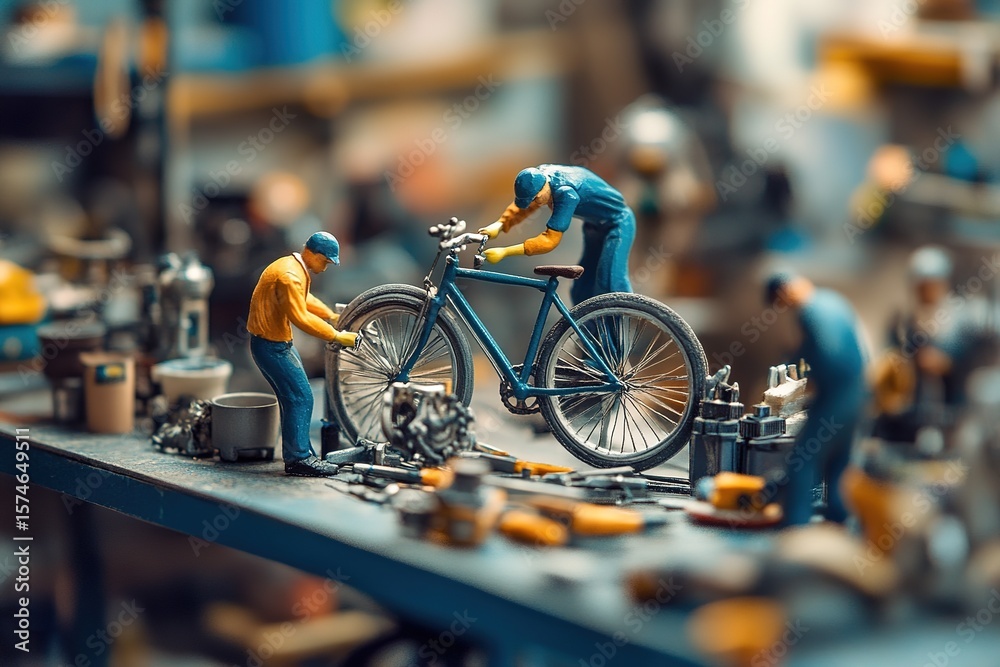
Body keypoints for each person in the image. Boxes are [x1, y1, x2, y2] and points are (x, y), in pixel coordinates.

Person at [248, 232, 358, 477]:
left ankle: (300, 451)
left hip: (276, 343)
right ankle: (299, 459)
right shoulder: (290, 276)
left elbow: (304, 298)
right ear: (314, 254)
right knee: (301, 398)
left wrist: (330, 315)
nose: (325, 268)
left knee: (292, 398)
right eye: (325, 261)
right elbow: (300, 317)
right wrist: (336, 335)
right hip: (272, 347)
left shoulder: (292, 266)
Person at [765, 272, 867, 526]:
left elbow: (829, 354)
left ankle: (796, 529)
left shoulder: (810, 312)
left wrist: (811, 380)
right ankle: (840, 528)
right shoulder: (833, 301)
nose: (785, 309)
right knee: (838, 467)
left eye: (781, 304)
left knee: (802, 460)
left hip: (837, 395)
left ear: (784, 292)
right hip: (858, 395)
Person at [479, 165, 635, 305]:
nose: (536, 203)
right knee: (581, 289)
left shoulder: (566, 194)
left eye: (536, 199)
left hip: (618, 223)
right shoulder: (541, 175)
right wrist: (499, 225)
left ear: (543, 189)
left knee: (609, 280)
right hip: (593, 226)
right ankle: (589, 327)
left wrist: (505, 252)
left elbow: (549, 240)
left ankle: (634, 314)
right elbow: (524, 206)